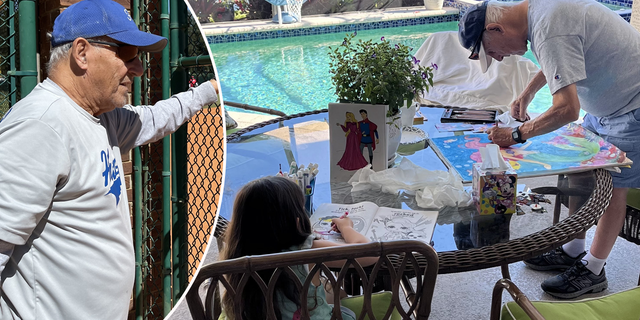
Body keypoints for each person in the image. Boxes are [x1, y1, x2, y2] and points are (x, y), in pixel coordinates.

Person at [0, 0, 220, 318]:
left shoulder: (103, 118)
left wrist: (208, 91)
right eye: (128, 55)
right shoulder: (40, 127)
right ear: (82, 53)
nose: (139, 68)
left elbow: (157, 117)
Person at [458, 0, 640, 299]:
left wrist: (516, 134)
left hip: (631, 106)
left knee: (612, 185)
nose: (500, 58)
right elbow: (560, 59)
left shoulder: (549, 27)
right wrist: (527, 94)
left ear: (495, 28)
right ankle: (572, 248)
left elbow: (567, 109)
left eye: (493, 51)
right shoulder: (541, 12)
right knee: (579, 173)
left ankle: (594, 270)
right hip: (607, 105)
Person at [221, 176, 377, 319]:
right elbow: (371, 252)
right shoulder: (306, 249)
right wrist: (346, 227)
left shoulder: (237, 254)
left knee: (329, 289)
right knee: (343, 306)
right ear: (295, 220)